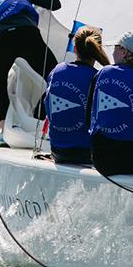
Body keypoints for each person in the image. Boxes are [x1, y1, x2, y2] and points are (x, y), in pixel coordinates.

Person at [0, 0, 61, 146]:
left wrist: (3, 66)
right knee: (55, 79)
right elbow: (54, 4)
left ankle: (3, 133)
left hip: (0, 39)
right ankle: (46, 121)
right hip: (27, 34)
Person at [88, 32, 133, 176]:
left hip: (103, 160)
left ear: (125, 52)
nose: (112, 52)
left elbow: (87, 118)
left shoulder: (103, 72)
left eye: (115, 47)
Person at [43, 26, 110, 164]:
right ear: (97, 51)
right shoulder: (99, 78)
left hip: (57, 151)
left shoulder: (57, 70)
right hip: (86, 153)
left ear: (75, 49)